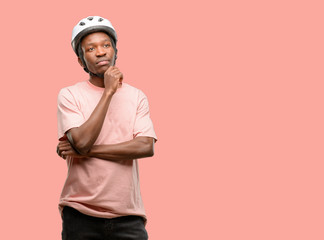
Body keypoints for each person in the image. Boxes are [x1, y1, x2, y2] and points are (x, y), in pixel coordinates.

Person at [56, 16, 157, 240]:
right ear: (82, 62)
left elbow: (145, 146)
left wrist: (88, 153)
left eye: (106, 45)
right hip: (81, 214)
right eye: (90, 49)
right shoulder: (70, 95)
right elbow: (81, 141)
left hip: (129, 216)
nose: (100, 52)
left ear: (115, 52)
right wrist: (109, 92)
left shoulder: (137, 96)